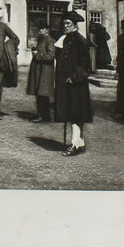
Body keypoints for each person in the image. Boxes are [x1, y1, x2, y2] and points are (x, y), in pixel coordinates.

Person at [55, 11, 92, 156]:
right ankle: (80, 142)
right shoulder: (65, 39)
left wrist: (74, 77)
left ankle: (74, 144)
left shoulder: (80, 41)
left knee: (76, 114)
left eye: (68, 24)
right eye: (64, 23)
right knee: (73, 113)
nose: (65, 26)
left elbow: (84, 64)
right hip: (66, 83)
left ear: (75, 25)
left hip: (76, 85)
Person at [26, 24, 55, 123]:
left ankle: (43, 116)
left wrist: (37, 55)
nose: (40, 30)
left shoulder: (50, 40)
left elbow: (50, 55)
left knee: (43, 94)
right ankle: (42, 115)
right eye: (40, 28)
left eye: (42, 29)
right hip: (39, 70)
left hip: (45, 71)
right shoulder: (40, 39)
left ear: (47, 30)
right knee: (40, 94)